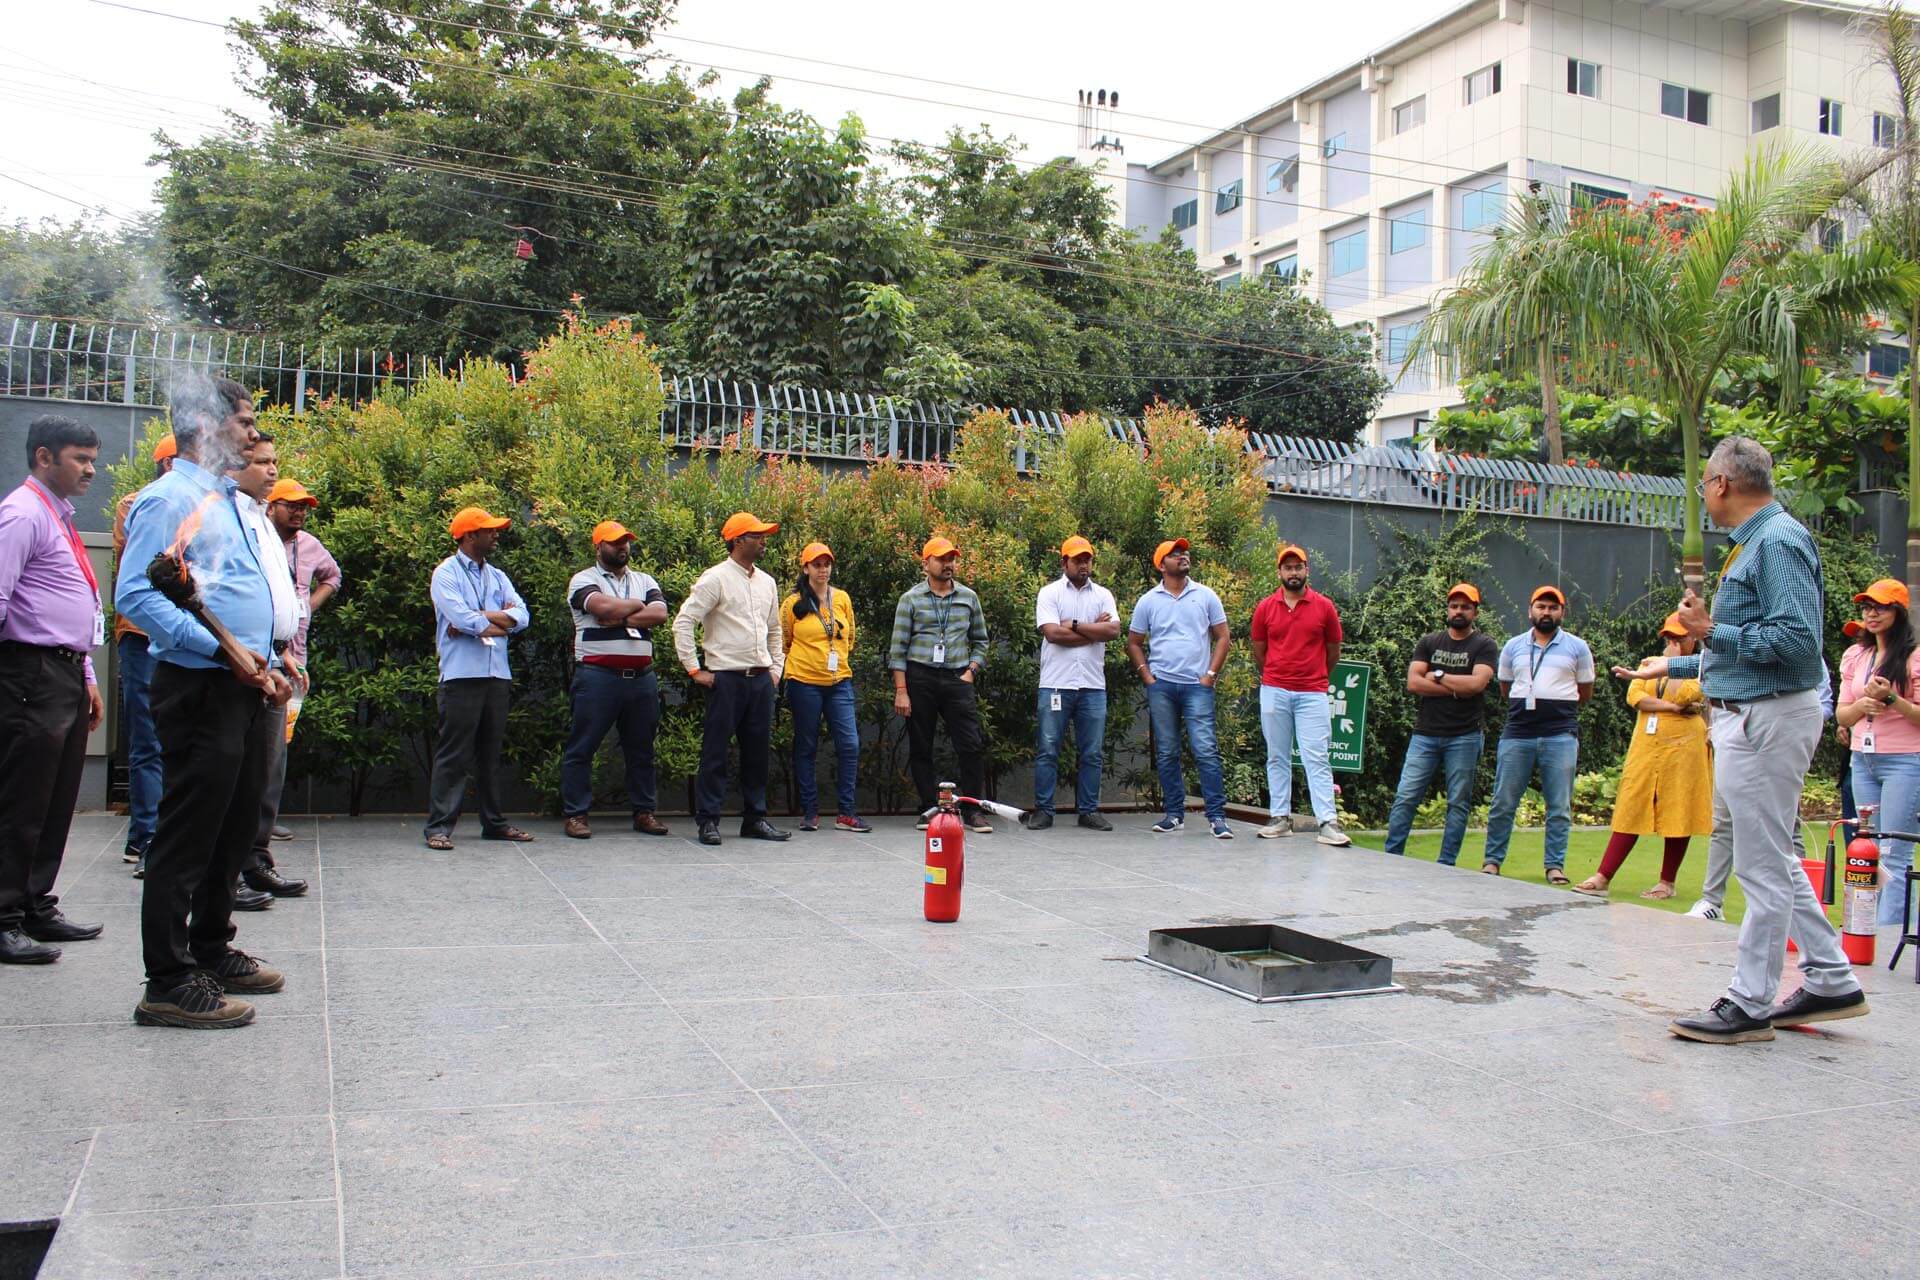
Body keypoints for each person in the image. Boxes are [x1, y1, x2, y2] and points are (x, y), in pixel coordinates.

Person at [1613, 435, 1865, 1044]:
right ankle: (1830, 978)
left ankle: (1749, 1003)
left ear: (1722, 483)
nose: (1704, 492)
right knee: (1774, 857)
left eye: (1705, 482)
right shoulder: (1757, 543)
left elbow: (1795, 642)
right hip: (1754, 712)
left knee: (1759, 864)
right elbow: (1750, 650)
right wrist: (1671, 667)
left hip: (1767, 719)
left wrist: (1710, 629)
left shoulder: (1776, 541)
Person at [117, 376, 291, 1028]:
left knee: (233, 826)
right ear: (205, 425)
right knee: (188, 832)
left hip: (244, 685)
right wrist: (223, 652)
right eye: (243, 421)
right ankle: (166, 979)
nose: (252, 433)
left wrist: (263, 660)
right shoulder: (171, 500)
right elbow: (137, 597)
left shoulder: (224, 498)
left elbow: (225, 593)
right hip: (201, 688)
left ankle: (211, 949)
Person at [0, 415, 108, 965]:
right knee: (22, 800)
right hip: (29, 674)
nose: (92, 469)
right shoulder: (22, 514)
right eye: (80, 459)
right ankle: (3, 917)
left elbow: (73, 605)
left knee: (55, 797)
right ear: (44, 457)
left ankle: (35, 903)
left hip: (64, 671)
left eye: (92, 458)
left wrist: (86, 675)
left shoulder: (57, 515)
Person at [1572, 613, 1711, 900]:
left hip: (1684, 745)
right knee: (1632, 802)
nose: (1672, 643)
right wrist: (1671, 708)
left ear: (1693, 639)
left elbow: (1688, 694)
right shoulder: (1648, 663)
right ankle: (1602, 876)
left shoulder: (1700, 667)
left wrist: (1672, 668)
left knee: (1678, 806)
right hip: (1647, 745)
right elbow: (1636, 697)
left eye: (1679, 638)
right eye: (1669, 638)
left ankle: (1666, 882)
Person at [674, 512, 789, 847]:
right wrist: (695, 670)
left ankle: (755, 818)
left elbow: (775, 629)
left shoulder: (767, 582)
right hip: (725, 679)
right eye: (758, 535)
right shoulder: (716, 578)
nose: (764, 540)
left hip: (759, 681)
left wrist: (775, 670)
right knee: (715, 752)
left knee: (757, 753)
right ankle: (708, 821)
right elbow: (684, 622)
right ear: (739, 540)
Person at [248, 476, 341, 881]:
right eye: (292, 505)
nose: (300, 511)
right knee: (259, 751)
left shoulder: (309, 546)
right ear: (271, 507)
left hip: (295, 659)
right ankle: (251, 838)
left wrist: (307, 606)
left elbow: (332, 576)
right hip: (262, 658)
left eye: (304, 506)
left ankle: (263, 830)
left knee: (278, 746)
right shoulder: (259, 540)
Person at [424, 507, 533, 850]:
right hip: (461, 677)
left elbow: (523, 616)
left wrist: (484, 619)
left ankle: (494, 823)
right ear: (470, 535)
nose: (496, 535)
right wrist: (499, 624)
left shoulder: (498, 576)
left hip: (497, 675)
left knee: (490, 753)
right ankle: (439, 827)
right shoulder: (446, 573)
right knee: (454, 753)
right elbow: (459, 618)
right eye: (489, 530)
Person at [224, 437, 302, 908]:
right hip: (238, 665)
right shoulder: (228, 515)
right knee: (231, 780)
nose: (272, 470)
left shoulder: (258, 518)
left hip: (271, 659)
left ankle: (253, 862)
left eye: (276, 461)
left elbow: (272, 593)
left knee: (263, 774)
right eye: (262, 462)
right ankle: (224, 873)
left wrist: (283, 648)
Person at [560, 521, 670, 840]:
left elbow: (660, 613)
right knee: (583, 746)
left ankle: (644, 812)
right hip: (597, 677)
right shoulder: (584, 579)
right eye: (614, 542)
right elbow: (601, 605)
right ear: (598, 547)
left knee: (642, 749)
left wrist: (618, 617)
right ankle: (576, 815)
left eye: (625, 542)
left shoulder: (644, 579)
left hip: (641, 679)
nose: (622, 547)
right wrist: (637, 607)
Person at [1482, 585, 1594, 882]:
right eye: (1541, 607)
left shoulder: (1577, 647)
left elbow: (1584, 691)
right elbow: (1506, 687)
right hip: (1518, 731)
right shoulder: (1513, 646)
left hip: (1560, 733)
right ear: (1530, 610)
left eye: (1553, 607)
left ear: (1562, 613)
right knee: (1503, 801)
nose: (1546, 612)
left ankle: (1554, 866)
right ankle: (1492, 861)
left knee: (1558, 805)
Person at [1383, 583, 1499, 866]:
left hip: (1465, 735)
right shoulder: (1429, 642)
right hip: (1425, 733)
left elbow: (1477, 684)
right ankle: (1390, 856)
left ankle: (1446, 863)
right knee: (1406, 796)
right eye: (1454, 606)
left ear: (1475, 612)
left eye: (1465, 607)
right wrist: (1457, 686)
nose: (1459, 611)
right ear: (1447, 609)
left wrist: (1436, 675)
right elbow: (1413, 682)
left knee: (1458, 803)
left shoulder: (1484, 645)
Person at [1126, 538, 1233, 839]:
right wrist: (1147, 676)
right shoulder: (1149, 600)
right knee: (1167, 751)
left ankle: (1217, 817)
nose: (1182, 557)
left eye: (1184, 553)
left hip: (1197, 686)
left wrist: (1210, 674)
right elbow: (1133, 642)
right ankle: (1174, 814)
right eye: (1175, 555)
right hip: (1162, 686)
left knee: (1205, 751)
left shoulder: (1206, 595)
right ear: (1162, 565)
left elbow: (1223, 637)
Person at [889, 535, 993, 834]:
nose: (948, 564)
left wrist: (971, 670)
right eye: (941, 559)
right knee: (922, 746)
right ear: (926, 563)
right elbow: (898, 649)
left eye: (952, 559)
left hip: (957, 677)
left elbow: (981, 640)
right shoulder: (911, 599)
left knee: (971, 745)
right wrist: (901, 690)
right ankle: (929, 808)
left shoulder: (968, 597)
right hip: (920, 676)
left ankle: (973, 810)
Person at [1835, 578, 1920, 933]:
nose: (1871, 613)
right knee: (1866, 847)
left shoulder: (1914, 657)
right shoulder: (1858, 654)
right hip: (1862, 759)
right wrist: (1862, 706)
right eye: (1867, 607)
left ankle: (1887, 937)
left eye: (1881, 607)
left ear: (1898, 612)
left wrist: (1891, 700)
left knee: (1895, 852)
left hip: (1904, 759)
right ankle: (1862, 931)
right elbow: (1841, 714)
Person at [1250, 543, 1349, 845]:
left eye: (1298, 567)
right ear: (1279, 572)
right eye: (1288, 567)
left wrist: (1314, 675)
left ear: (1307, 570)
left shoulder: (1324, 607)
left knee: (1316, 757)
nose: (1293, 572)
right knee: (1277, 756)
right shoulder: (1266, 607)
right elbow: (1259, 649)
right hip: (1275, 689)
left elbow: (1333, 651)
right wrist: (1277, 674)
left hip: (1313, 693)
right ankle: (1280, 818)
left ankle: (1328, 823)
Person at [1030, 535, 1121, 832]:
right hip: (1056, 684)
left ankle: (1089, 811)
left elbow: (1114, 631)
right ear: (1064, 562)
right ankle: (1044, 811)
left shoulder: (1104, 595)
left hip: (1093, 685)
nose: (1084, 564)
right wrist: (1095, 629)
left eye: (1088, 559)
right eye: (1077, 559)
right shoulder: (1050, 593)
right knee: (1048, 748)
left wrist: (1076, 625)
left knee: (1092, 752)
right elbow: (1053, 635)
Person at [113, 433, 174, 876]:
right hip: (142, 635)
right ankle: (146, 837)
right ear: (169, 464)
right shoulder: (138, 503)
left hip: (186, 636)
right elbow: (142, 567)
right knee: (148, 738)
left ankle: (171, 835)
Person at [781, 541, 869, 833]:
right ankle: (810, 812)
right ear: (805, 568)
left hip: (839, 680)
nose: (823, 569)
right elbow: (785, 641)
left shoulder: (842, 598)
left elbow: (850, 636)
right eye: (816, 564)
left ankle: (846, 812)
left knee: (850, 744)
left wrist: (834, 658)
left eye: (827, 564)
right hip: (804, 681)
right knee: (806, 746)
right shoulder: (793, 603)